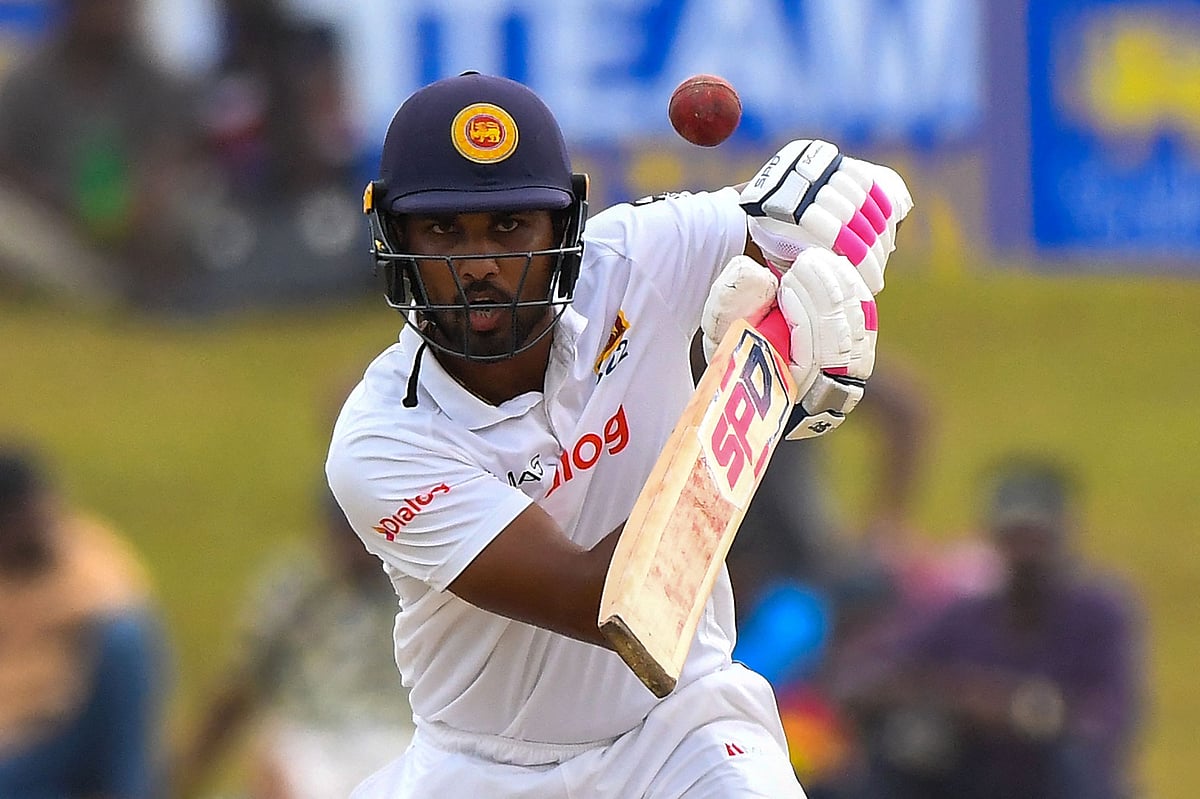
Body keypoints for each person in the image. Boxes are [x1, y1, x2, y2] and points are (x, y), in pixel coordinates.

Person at [325, 71, 913, 798]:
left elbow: (862, 197)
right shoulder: (381, 441)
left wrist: (819, 254)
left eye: (509, 226)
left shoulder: (636, 260)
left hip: (680, 729)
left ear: (564, 229)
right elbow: (613, 602)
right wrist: (753, 391)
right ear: (395, 237)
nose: (478, 264)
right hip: (479, 765)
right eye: (443, 230)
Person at [832, 455, 1145, 799]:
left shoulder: (1098, 613)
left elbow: (1108, 719)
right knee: (903, 746)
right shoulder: (965, 616)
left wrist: (1023, 712)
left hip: (1053, 778)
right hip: (972, 774)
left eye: (1036, 538)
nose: (1026, 553)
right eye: (1015, 538)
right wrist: (947, 698)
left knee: (1067, 758)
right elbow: (862, 679)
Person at [173, 485, 415, 799]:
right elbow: (239, 687)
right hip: (308, 734)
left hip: (398, 736)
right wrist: (183, 772)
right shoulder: (297, 586)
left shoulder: (420, 587)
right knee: (272, 755)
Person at [0, 0, 203, 309]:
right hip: (56, 230)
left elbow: (177, 148)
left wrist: (144, 200)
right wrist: (64, 205)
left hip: (138, 226)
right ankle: (101, 290)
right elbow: (7, 165)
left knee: (197, 201)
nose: (113, 15)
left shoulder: (152, 77)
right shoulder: (30, 79)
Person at [0, 444, 169, 799]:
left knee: (124, 641)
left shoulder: (84, 552)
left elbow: (119, 606)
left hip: (73, 720)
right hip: (18, 743)